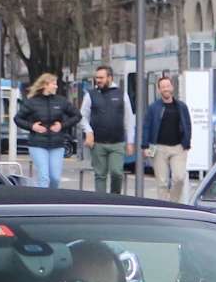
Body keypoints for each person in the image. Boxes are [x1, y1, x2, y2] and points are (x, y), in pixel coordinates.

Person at [19, 73, 78, 188]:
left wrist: (62, 125)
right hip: (38, 144)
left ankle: (52, 197)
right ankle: (43, 202)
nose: (56, 86)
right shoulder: (32, 102)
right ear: (45, 85)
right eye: (53, 84)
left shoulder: (61, 101)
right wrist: (32, 126)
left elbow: (76, 116)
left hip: (57, 144)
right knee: (43, 176)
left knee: (55, 177)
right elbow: (18, 118)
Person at [142, 73, 192, 202]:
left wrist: (186, 142)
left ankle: (174, 203)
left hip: (178, 147)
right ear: (159, 90)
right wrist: (145, 145)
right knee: (162, 182)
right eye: (163, 87)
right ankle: (164, 207)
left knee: (179, 177)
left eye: (167, 86)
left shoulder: (181, 106)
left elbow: (187, 124)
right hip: (159, 147)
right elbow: (147, 125)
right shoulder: (154, 107)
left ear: (172, 87)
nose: (166, 89)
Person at [82, 66, 130, 194]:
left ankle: (115, 198)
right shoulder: (90, 95)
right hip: (98, 143)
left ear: (110, 77)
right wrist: (88, 131)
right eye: (97, 77)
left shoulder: (121, 94)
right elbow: (83, 116)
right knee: (100, 175)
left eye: (101, 78)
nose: (98, 80)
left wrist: (130, 140)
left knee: (116, 173)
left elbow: (128, 119)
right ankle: (101, 201)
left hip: (117, 142)